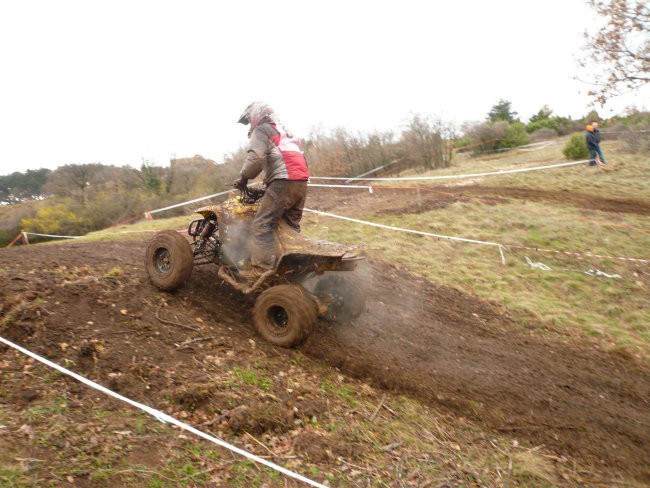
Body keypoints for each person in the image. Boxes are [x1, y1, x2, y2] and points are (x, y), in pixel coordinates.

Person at [233, 102, 310, 281]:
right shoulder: (286, 132)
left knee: (261, 226)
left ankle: (262, 271)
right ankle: (292, 271)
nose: (249, 125)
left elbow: (256, 158)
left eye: (249, 120)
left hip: (283, 182)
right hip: (301, 183)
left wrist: (243, 178)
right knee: (289, 228)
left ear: (256, 116)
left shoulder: (262, 130)